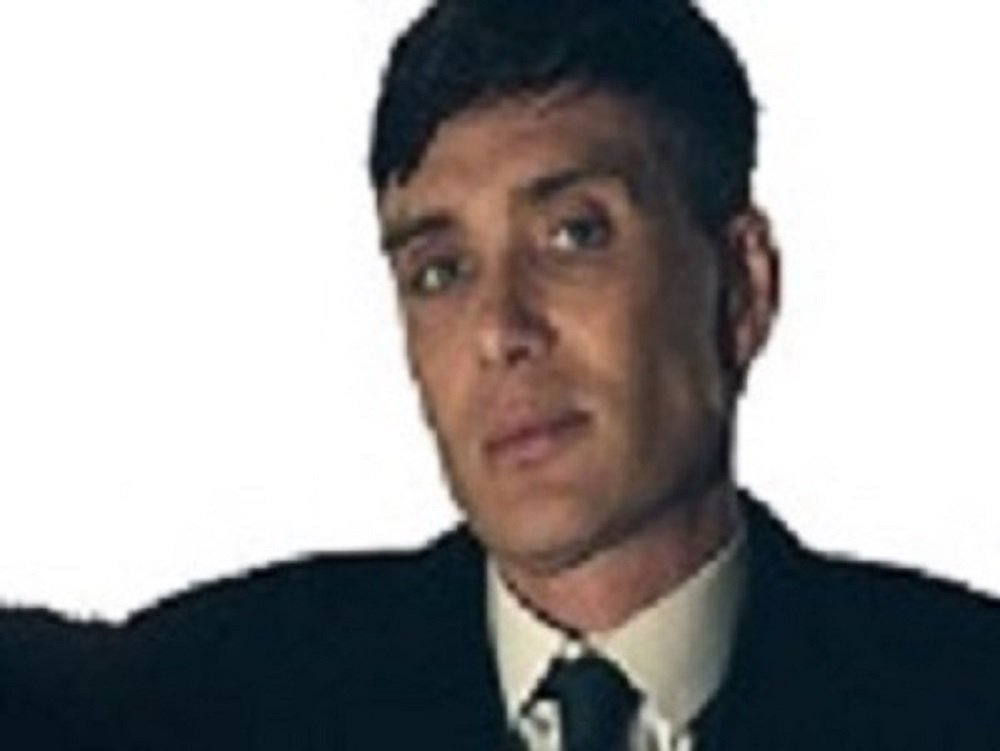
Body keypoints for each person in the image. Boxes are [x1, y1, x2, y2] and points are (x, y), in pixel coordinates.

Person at [118, 1, 1000, 749]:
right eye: (441, 271)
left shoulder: (965, 697)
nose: (501, 330)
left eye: (575, 235)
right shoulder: (202, 701)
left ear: (740, 286)